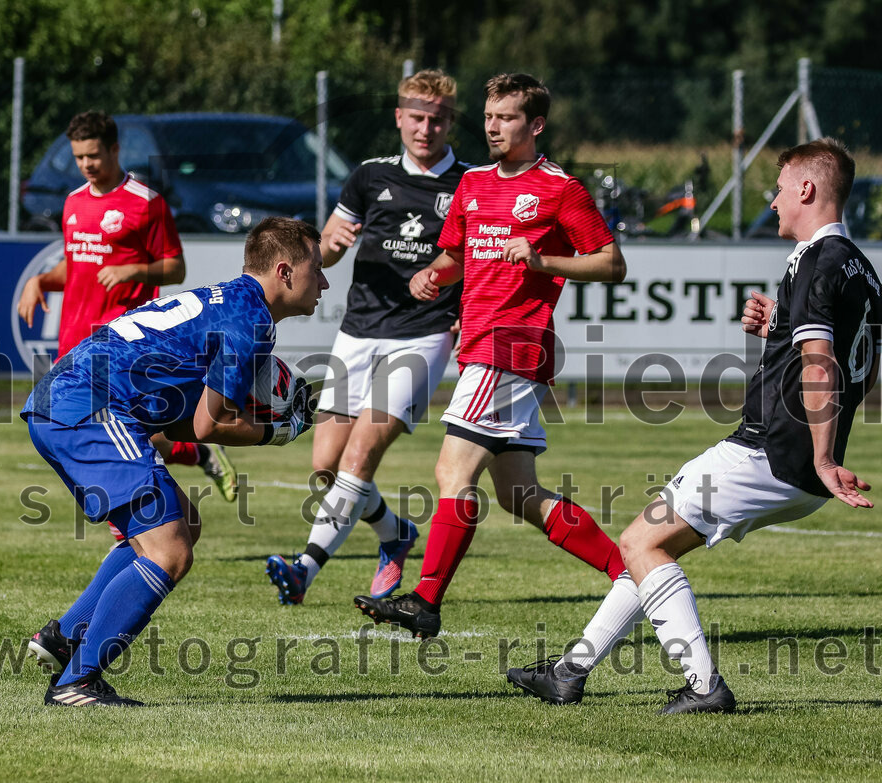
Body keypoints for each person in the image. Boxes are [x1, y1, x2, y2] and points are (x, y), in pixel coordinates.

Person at [506, 138, 880, 715]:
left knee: (637, 542)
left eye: (779, 188)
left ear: (807, 189)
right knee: (651, 549)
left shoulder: (815, 259)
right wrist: (778, 325)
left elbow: (821, 364)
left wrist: (824, 455)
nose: (774, 201)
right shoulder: (861, 267)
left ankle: (703, 685)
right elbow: (842, 349)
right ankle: (569, 672)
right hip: (797, 463)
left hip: (770, 450)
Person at [353, 73, 628, 639]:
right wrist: (434, 274)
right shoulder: (474, 182)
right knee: (519, 494)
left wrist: (542, 262)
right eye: (488, 116)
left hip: (511, 345)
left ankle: (425, 601)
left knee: (452, 470)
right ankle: (633, 575)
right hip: (480, 344)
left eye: (506, 117)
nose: (493, 127)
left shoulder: (559, 188)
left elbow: (610, 263)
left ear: (536, 124)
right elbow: (456, 255)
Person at [21, 217, 328, 706]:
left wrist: (265, 423)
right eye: (319, 268)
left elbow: (183, 424)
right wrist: (277, 431)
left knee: (184, 522)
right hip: (89, 406)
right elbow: (209, 429)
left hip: (72, 400)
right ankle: (76, 682)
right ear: (286, 271)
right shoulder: (251, 322)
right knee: (171, 552)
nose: (326, 281)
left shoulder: (230, 301)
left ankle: (64, 638)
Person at [265, 69, 471, 605]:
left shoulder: (471, 184)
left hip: (422, 335)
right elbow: (327, 250)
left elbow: (485, 259)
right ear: (399, 117)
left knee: (359, 457)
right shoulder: (368, 175)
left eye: (437, 119)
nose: (426, 128)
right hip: (358, 330)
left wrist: (467, 310)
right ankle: (395, 534)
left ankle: (304, 569)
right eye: (417, 118)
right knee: (325, 465)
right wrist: (330, 244)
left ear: (450, 121)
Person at [17, 110, 238, 504]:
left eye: (94, 156)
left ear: (115, 149)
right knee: (100, 437)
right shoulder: (72, 203)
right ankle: (196, 455)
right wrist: (40, 281)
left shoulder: (146, 204)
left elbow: (175, 267)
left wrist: (133, 269)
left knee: (120, 439)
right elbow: (76, 263)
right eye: (79, 157)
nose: (86, 165)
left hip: (122, 342)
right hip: (74, 342)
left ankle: (141, 536)